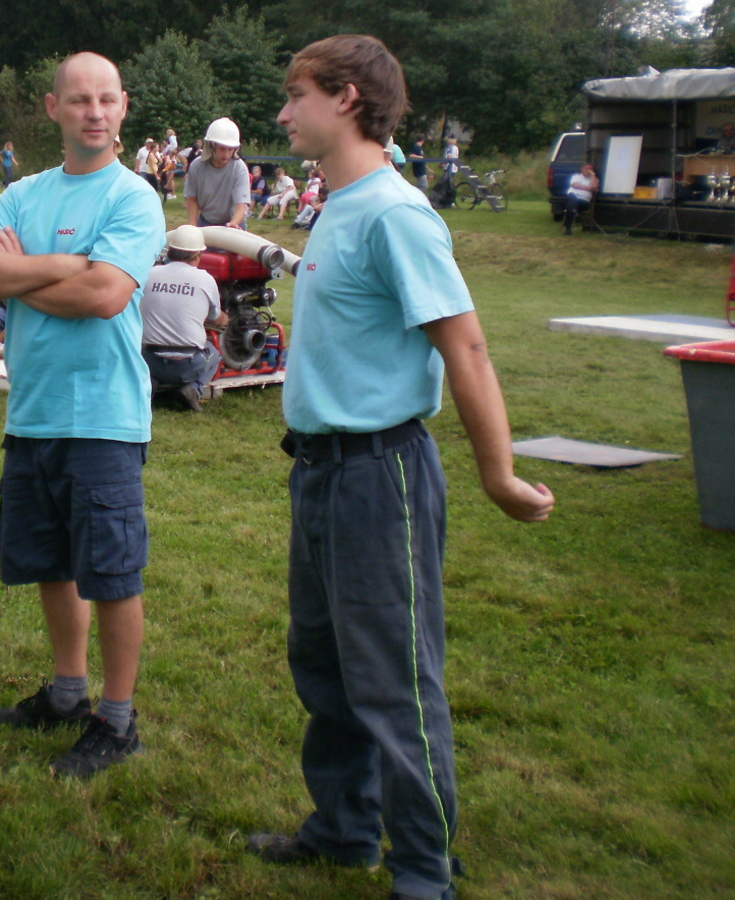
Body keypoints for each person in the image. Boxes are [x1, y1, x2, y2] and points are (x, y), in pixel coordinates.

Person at [245, 34, 554, 900]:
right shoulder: (339, 205)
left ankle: (424, 871)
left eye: (296, 95)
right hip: (320, 473)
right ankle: (346, 831)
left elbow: (467, 348)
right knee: (325, 667)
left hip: (380, 476)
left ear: (346, 97)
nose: (284, 112)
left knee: (394, 684)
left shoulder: (395, 213)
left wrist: (498, 475)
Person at [0, 51, 165, 780]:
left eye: (106, 99)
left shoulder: (133, 197)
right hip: (33, 412)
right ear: (54, 108)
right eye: (79, 100)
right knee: (50, 562)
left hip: (103, 417)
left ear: (123, 105)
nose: (94, 112)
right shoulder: (25, 193)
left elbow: (105, 296)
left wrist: (20, 275)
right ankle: (68, 692)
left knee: (112, 573)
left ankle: (118, 719)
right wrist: (65, 267)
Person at [140, 224, 227, 412]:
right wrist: (227, 320)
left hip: (149, 360)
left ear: (170, 251)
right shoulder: (205, 279)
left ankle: (150, 382)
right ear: (197, 256)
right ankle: (193, 389)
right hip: (188, 365)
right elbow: (215, 318)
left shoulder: (149, 273)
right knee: (215, 354)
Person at [184, 117, 251, 228]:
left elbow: (241, 206)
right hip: (205, 221)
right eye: (222, 149)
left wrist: (233, 224)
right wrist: (193, 226)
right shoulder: (197, 166)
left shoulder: (239, 168)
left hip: (232, 222)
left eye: (230, 149)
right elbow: (192, 199)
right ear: (211, 146)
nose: (226, 154)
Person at [562, 162, 598, 235]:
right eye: (587, 168)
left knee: (571, 206)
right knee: (572, 197)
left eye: (590, 169)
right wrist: (589, 188)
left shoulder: (594, 179)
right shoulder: (576, 176)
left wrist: (593, 175)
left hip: (583, 201)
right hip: (572, 197)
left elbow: (594, 186)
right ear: (582, 169)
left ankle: (568, 227)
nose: (588, 170)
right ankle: (573, 213)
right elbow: (574, 185)